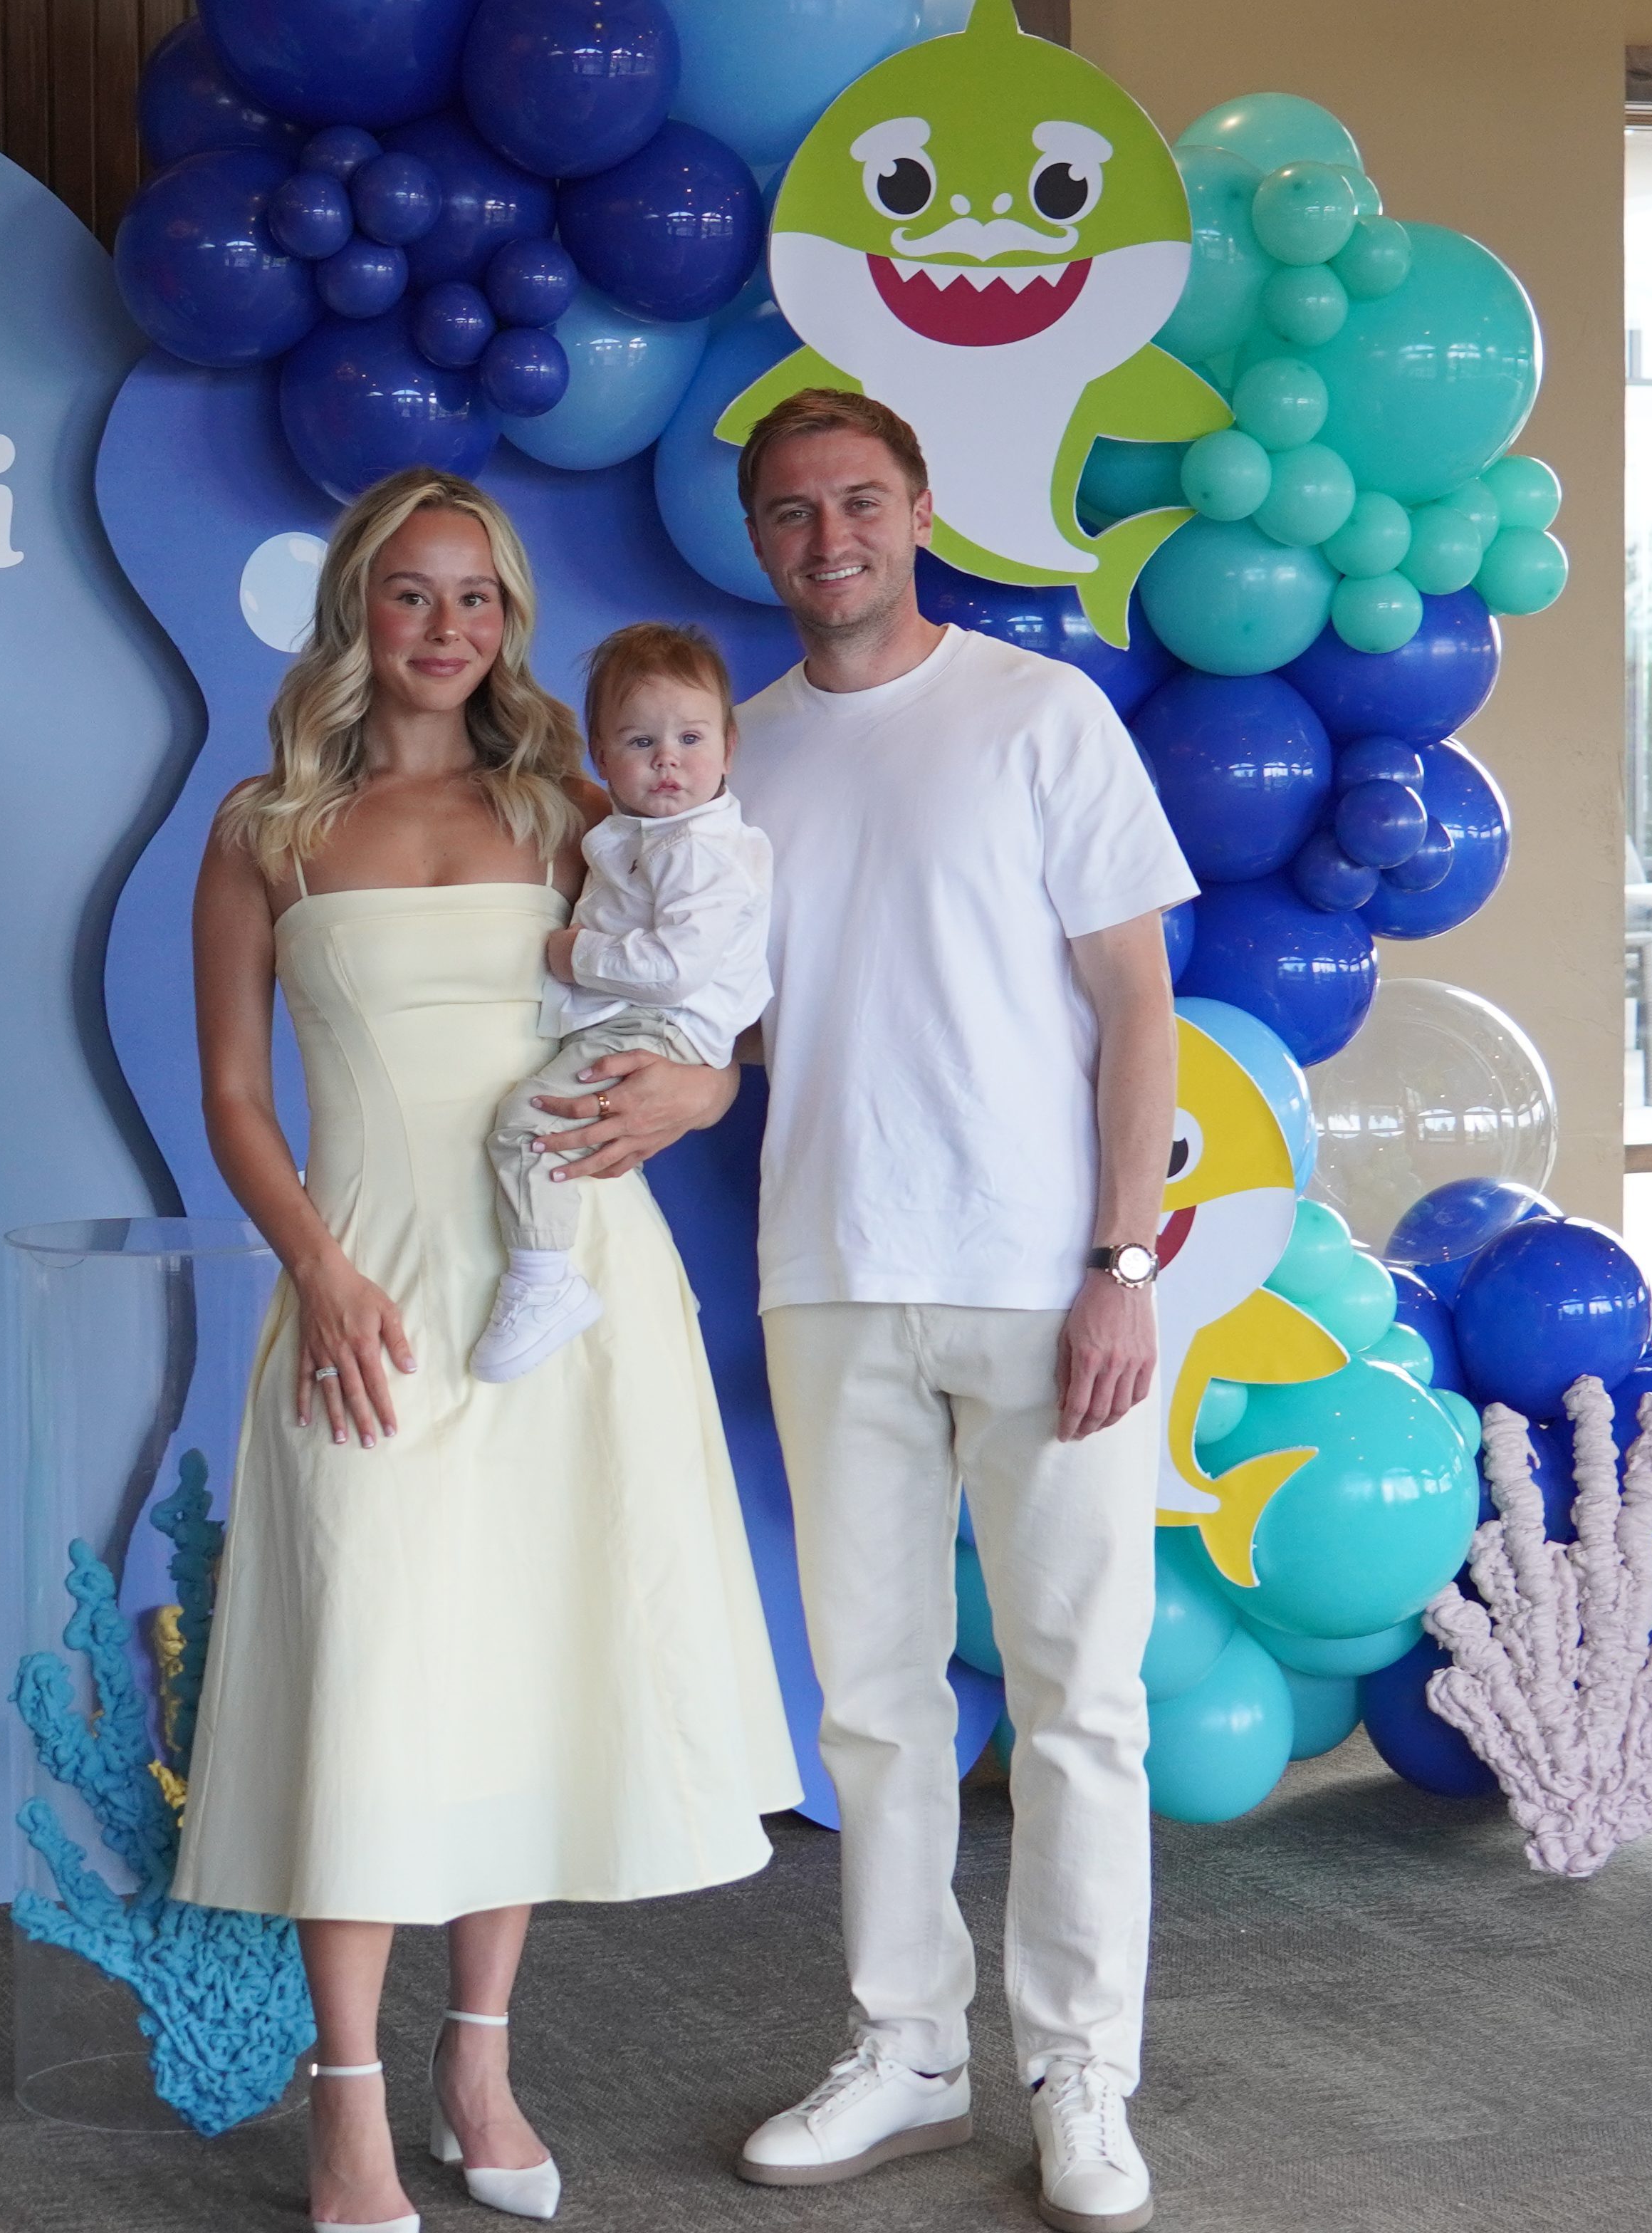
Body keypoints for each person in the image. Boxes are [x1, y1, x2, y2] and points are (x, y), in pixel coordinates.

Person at [526, 390, 1188, 2233]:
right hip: (829, 1270)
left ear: (919, 510)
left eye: (862, 501)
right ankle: (907, 2050)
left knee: (1078, 1701)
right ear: (758, 539)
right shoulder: (733, 760)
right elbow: (732, 1015)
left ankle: (1081, 2073)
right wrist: (687, 1077)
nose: (831, 537)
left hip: (1043, 1280)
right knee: (879, 1710)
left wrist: (1122, 1264)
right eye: (795, 511)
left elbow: (1136, 1004)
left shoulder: (1038, 714)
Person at [172, 469, 800, 2233]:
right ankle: (347, 2105)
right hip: (368, 1291)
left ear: (511, 622)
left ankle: (479, 2064)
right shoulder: (264, 826)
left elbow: (717, 988)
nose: (446, 628)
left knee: (522, 1659)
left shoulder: (574, 808)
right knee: (370, 1678)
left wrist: (706, 1092)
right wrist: (318, 1271)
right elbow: (232, 1096)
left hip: (569, 1285)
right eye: (411, 593)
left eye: (478, 598)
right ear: (356, 613)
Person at [470, 622, 770, 1384]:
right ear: (601, 758)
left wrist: (575, 954)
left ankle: (544, 1283)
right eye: (641, 742)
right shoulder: (646, 834)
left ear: (728, 749)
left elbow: (673, 970)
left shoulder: (696, 849)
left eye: (690, 739)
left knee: (528, 1127)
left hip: (660, 1024)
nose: (668, 760)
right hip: (647, 1019)